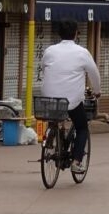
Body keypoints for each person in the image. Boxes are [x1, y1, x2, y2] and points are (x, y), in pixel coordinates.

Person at [41, 19, 101, 174]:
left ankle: (52, 135)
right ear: (75, 34)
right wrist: (97, 91)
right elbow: (94, 74)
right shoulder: (82, 52)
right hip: (71, 102)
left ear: (59, 34)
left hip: (49, 100)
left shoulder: (49, 51)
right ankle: (76, 161)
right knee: (82, 127)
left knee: (56, 115)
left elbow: (43, 67)